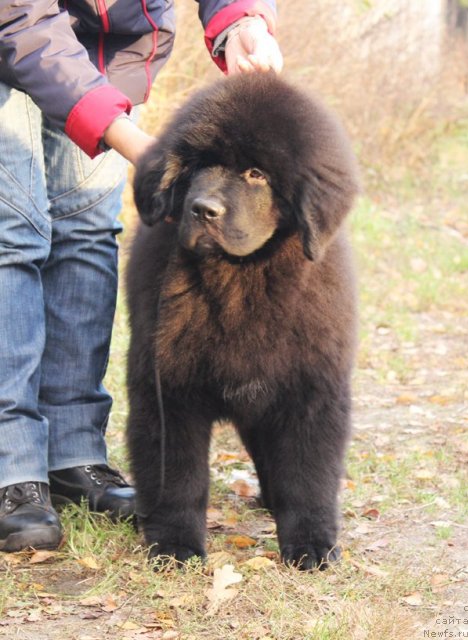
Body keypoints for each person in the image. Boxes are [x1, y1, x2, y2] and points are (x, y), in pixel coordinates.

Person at [0, 0, 283, 553]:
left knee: (86, 230)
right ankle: (11, 465)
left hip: (108, 53)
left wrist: (242, 22)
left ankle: (73, 455)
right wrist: (131, 139)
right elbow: (22, 21)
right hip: (16, 32)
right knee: (14, 233)